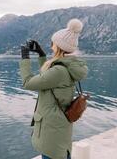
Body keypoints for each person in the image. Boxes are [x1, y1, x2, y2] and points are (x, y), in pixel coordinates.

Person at [19, 18, 88, 159]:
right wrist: (41, 55)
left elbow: (27, 83)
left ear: (59, 46)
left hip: (51, 132)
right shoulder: (67, 67)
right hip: (59, 126)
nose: (51, 46)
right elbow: (47, 78)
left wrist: (24, 57)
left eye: (53, 43)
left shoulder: (59, 71)